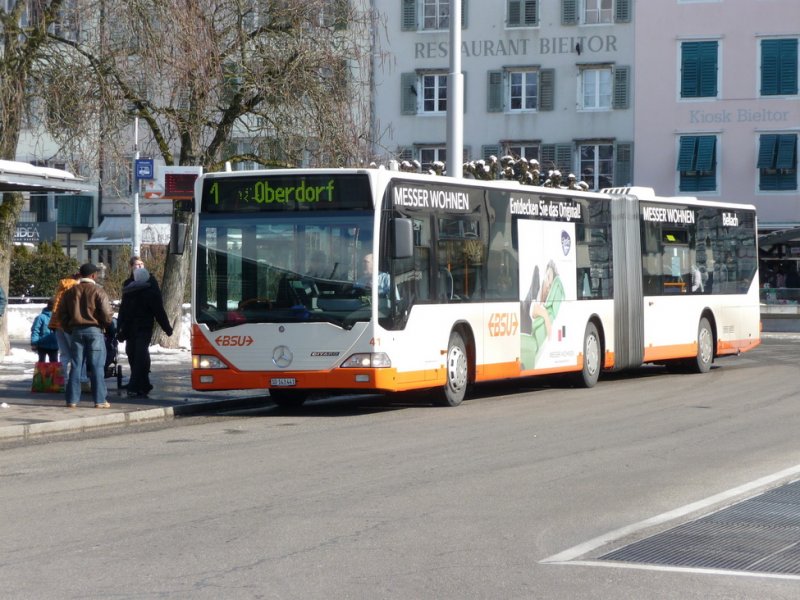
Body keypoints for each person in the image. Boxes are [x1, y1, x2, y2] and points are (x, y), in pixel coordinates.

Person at [55, 263, 114, 408]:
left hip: (76, 331)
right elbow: (107, 314)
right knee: (96, 366)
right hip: (95, 331)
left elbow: (61, 314)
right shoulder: (98, 291)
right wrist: (103, 325)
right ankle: (99, 400)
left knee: (75, 365)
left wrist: (70, 328)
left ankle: (72, 400)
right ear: (94, 275)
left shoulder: (70, 292)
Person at [117, 267, 173, 398]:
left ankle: (139, 384)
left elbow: (123, 312)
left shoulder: (128, 291)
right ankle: (138, 385)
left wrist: (119, 328)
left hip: (129, 329)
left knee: (133, 355)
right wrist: (167, 329)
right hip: (144, 328)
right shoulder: (151, 292)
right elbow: (159, 312)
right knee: (140, 356)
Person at [49, 271, 90, 389]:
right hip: (69, 324)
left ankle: (61, 381)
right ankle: (81, 380)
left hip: (58, 324)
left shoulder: (62, 286)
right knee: (78, 353)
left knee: (64, 354)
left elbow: (56, 306)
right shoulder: (75, 288)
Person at [30, 298, 59, 362]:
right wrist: (34, 343)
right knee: (41, 364)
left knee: (54, 365)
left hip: (54, 345)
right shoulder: (41, 317)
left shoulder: (58, 317)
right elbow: (35, 330)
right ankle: (40, 372)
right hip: (42, 345)